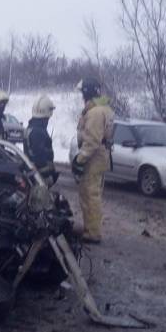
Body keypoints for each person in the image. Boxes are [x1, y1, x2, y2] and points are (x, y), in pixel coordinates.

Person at [72, 78, 114, 244]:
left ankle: (93, 233)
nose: (82, 95)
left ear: (87, 92)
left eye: (82, 92)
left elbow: (92, 141)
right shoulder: (101, 109)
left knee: (91, 195)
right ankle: (90, 228)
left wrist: (80, 159)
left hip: (94, 158)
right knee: (89, 194)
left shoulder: (96, 113)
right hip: (98, 156)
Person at [24, 95, 58, 186]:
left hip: (34, 174)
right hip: (40, 177)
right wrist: (48, 175)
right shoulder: (38, 132)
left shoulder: (31, 127)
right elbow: (39, 157)